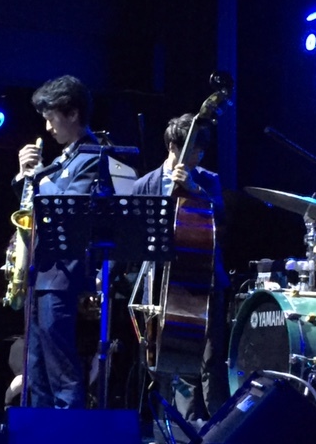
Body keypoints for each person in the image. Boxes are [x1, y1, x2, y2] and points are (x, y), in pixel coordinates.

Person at [133, 113, 230, 432]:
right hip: (160, 283)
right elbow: (134, 235)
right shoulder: (145, 184)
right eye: (194, 148)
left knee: (209, 360)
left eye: (202, 149)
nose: (199, 154)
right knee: (162, 361)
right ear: (174, 147)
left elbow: (221, 218)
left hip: (202, 280)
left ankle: (218, 430)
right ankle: (168, 430)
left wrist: (193, 189)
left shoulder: (208, 180)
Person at [12, 75, 101, 408]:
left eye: (52, 118)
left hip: (64, 274)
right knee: (36, 368)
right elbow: (32, 208)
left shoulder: (92, 156)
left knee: (61, 369)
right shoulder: (64, 158)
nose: (48, 127)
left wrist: (37, 177)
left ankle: (67, 430)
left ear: (73, 114)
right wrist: (24, 177)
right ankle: (40, 430)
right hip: (42, 272)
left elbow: (69, 208)